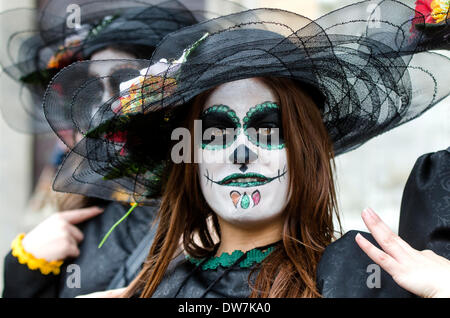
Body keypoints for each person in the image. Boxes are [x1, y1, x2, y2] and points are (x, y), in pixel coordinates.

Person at [38, 0, 450, 297]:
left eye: (268, 128)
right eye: (215, 132)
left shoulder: (356, 273)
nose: (241, 152)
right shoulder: (157, 288)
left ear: (304, 149)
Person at [1, 0, 246, 298]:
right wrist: (26, 268)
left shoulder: (230, 221)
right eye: (95, 87)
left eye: (123, 83)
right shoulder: (85, 205)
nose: (101, 110)